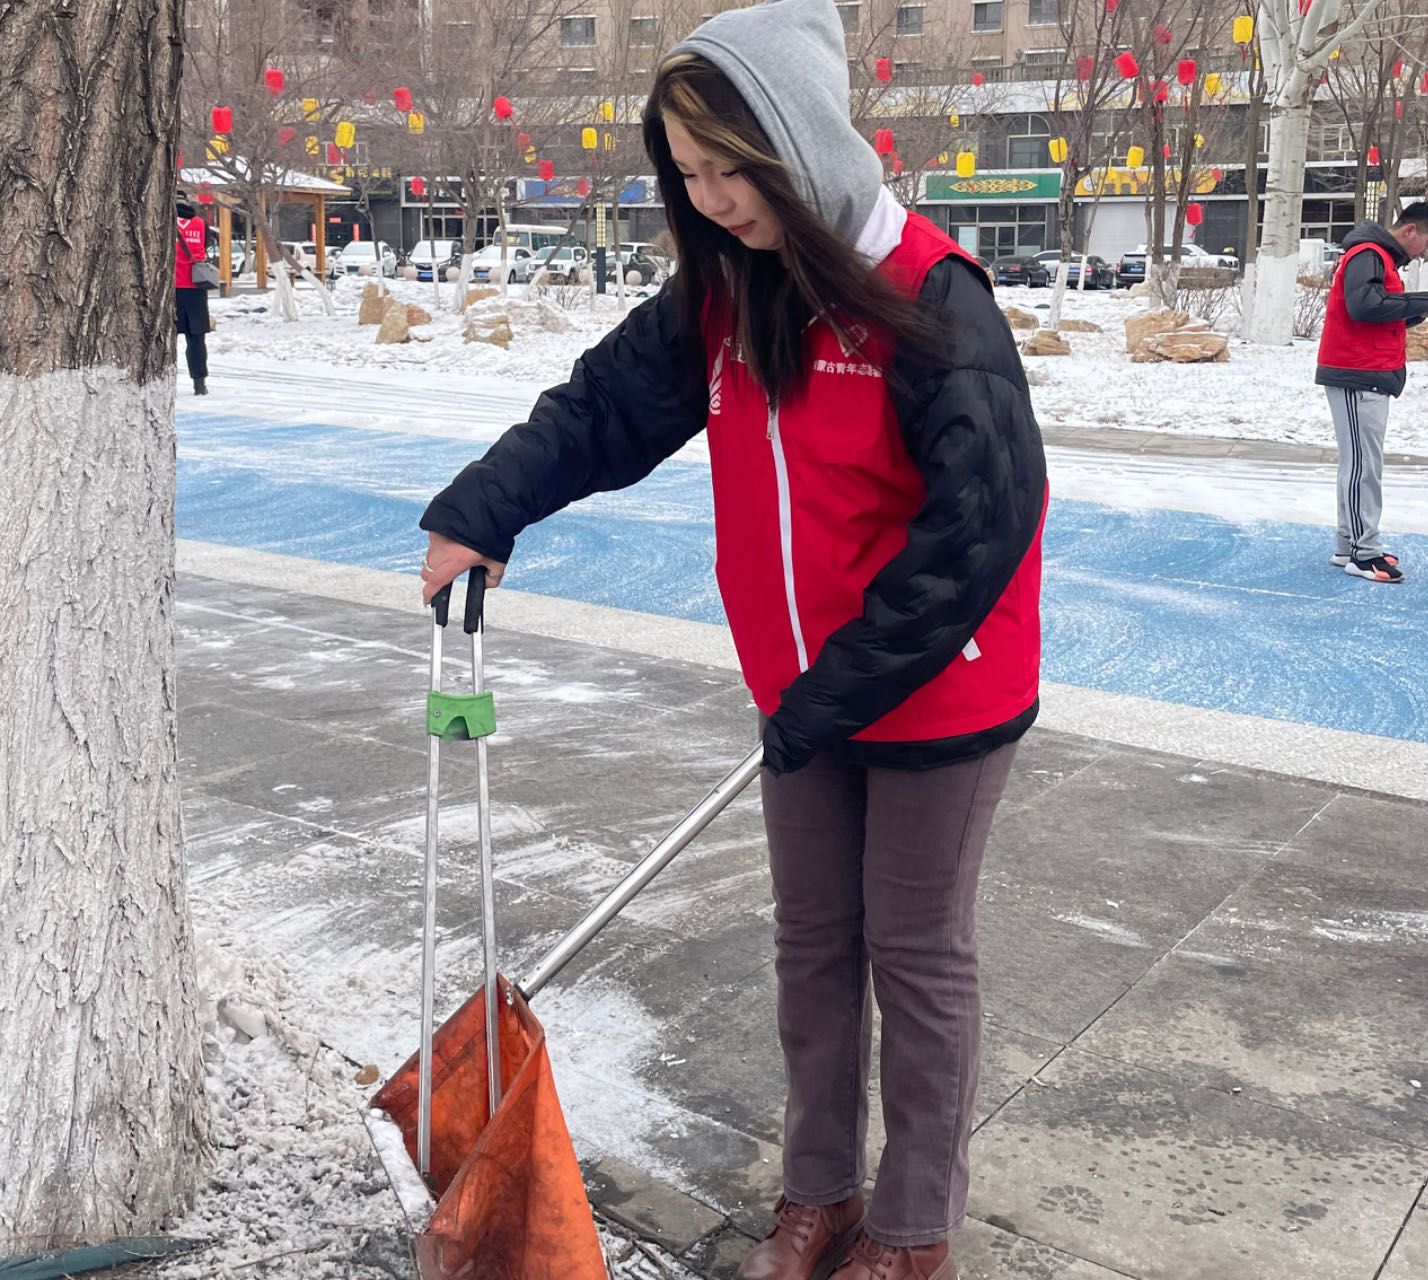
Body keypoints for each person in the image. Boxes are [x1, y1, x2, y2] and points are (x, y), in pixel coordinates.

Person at [418, 2, 1046, 1276]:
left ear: (795, 148)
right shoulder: (725, 291)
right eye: (687, 174)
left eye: (727, 172)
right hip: (801, 693)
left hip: (935, 689)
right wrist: (483, 508)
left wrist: (838, 688)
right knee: (811, 945)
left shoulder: (928, 297)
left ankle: (911, 1229)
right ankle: (816, 1196)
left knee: (913, 954)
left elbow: (979, 524)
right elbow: (601, 410)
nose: (707, 200)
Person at [1314, 201, 1428, 583]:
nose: (1426, 251)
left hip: (1365, 372)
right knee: (1363, 466)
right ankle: (1364, 552)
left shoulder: (1379, 258)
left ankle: (1350, 544)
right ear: (1410, 231)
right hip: (1357, 373)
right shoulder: (1369, 254)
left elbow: (1379, 314)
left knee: (1359, 463)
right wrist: (1423, 300)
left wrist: (1422, 309)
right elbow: (1365, 307)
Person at [175, 200, 210, 395]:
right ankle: (199, 383)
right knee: (196, 338)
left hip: (171, 288)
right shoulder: (201, 224)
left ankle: (165, 379)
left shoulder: (163, 220)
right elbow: (206, 247)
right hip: (197, 287)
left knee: (165, 339)